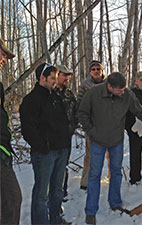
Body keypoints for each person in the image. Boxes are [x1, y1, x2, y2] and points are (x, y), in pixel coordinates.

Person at [78, 72, 142, 225]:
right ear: (109, 87)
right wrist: (91, 131)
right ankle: (90, 211)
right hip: (97, 141)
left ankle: (115, 203)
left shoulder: (126, 94)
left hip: (116, 141)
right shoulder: (94, 93)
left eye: (123, 89)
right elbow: (82, 113)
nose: (122, 92)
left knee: (116, 172)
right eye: (119, 90)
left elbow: (141, 112)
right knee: (94, 175)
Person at [19, 63, 71, 225]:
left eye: (56, 78)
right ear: (42, 78)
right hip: (45, 153)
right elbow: (28, 129)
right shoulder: (31, 100)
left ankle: (56, 219)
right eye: (52, 78)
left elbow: (65, 121)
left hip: (62, 150)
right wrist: (42, 146)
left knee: (57, 190)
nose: (56, 81)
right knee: (42, 193)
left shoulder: (56, 97)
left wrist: (67, 140)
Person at [0, 38, 22, 224]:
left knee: (10, 202)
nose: (5, 60)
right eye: (3, 54)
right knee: (13, 198)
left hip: (3, 151)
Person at [77, 60, 107, 190]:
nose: (96, 71)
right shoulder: (85, 85)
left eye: (98, 69)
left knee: (111, 154)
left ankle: (112, 179)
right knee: (90, 153)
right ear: (90, 71)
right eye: (93, 69)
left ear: (102, 70)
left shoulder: (109, 83)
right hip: (92, 125)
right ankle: (85, 182)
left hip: (108, 124)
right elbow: (79, 103)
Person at [55, 65, 77, 200]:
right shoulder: (51, 93)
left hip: (66, 137)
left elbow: (76, 112)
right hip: (52, 137)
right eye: (64, 75)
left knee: (64, 165)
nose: (67, 78)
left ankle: (63, 191)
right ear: (57, 75)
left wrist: (73, 126)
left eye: (68, 76)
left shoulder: (69, 94)